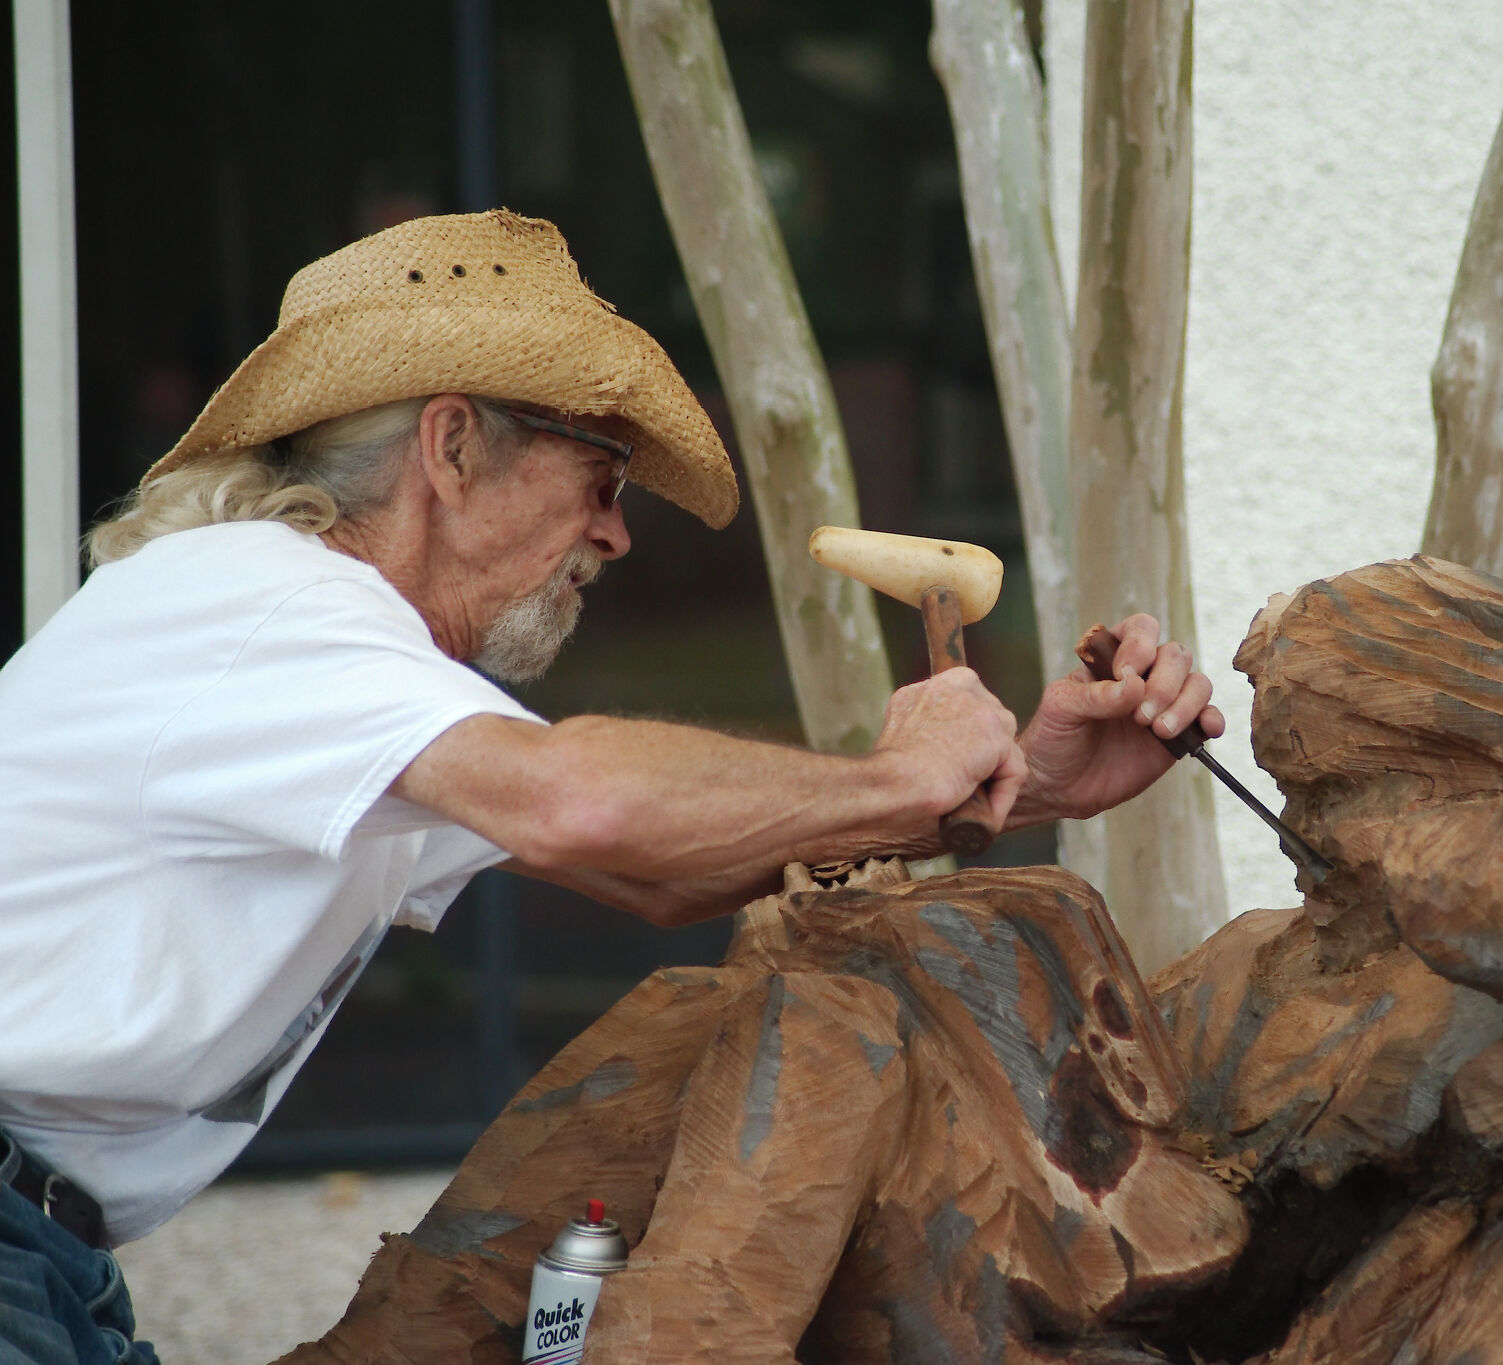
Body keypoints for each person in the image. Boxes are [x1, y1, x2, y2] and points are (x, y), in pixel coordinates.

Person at [0, 210, 1221, 1365]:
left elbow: (651, 872)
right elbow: (583, 802)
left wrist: (1018, 789)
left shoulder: (336, 668)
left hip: (53, 1256)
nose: (617, 535)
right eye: (603, 479)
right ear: (454, 444)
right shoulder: (264, 606)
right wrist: (897, 771)